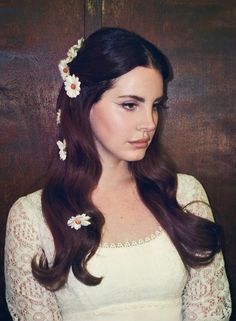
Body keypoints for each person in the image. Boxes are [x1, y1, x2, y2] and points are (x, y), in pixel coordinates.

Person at [5, 27, 231, 321]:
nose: (149, 123)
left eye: (156, 106)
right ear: (83, 102)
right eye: (130, 104)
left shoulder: (185, 194)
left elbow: (208, 312)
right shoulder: (32, 216)